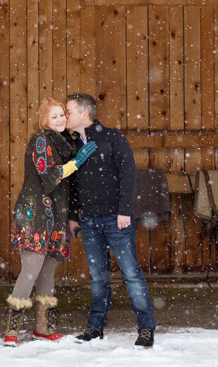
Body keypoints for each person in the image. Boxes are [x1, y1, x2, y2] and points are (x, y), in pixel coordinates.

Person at [64, 93, 157, 348]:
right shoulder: (71, 144)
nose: (65, 115)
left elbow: (128, 175)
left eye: (69, 110)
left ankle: (146, 328)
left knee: (131, 274)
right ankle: (95, 328)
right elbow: (73, 184)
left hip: (117, 220)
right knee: (97, 276)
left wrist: (124, 210)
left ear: (85, 113)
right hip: (90, 221)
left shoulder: (113, 138)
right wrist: (74, 217)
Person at [3, 98, 96, 346]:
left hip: (56, 214)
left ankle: (43, 328)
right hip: (35, 214)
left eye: (62, 115)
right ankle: (12, 330)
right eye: (53, 116)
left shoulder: (65, 144)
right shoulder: (40, 141)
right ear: (43, 120)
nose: (59, 120)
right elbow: (48, 175)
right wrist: (76, 164)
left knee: (47, 272)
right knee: (31, 271)